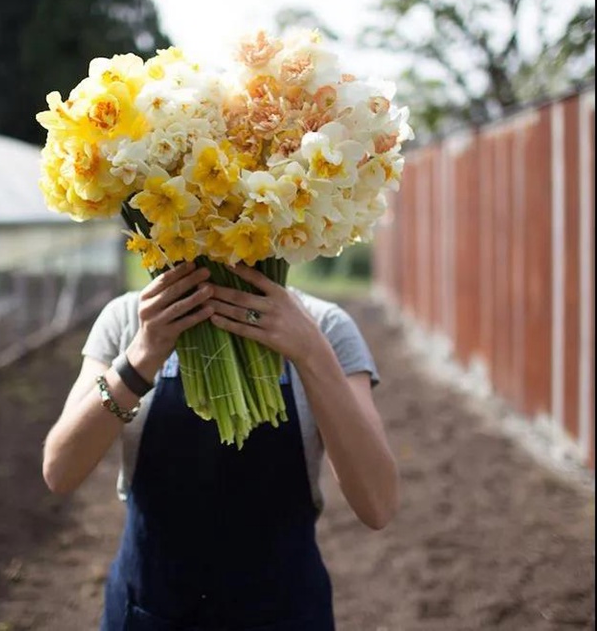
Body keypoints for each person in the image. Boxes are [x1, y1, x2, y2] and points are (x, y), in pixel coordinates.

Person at [42, 261, 400, 631]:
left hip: (285, 616)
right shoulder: (132, 319)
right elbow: (60, 471)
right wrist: (140, 357)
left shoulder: (323, 326)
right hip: (149, 614)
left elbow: (378, 504)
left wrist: (312, 353)